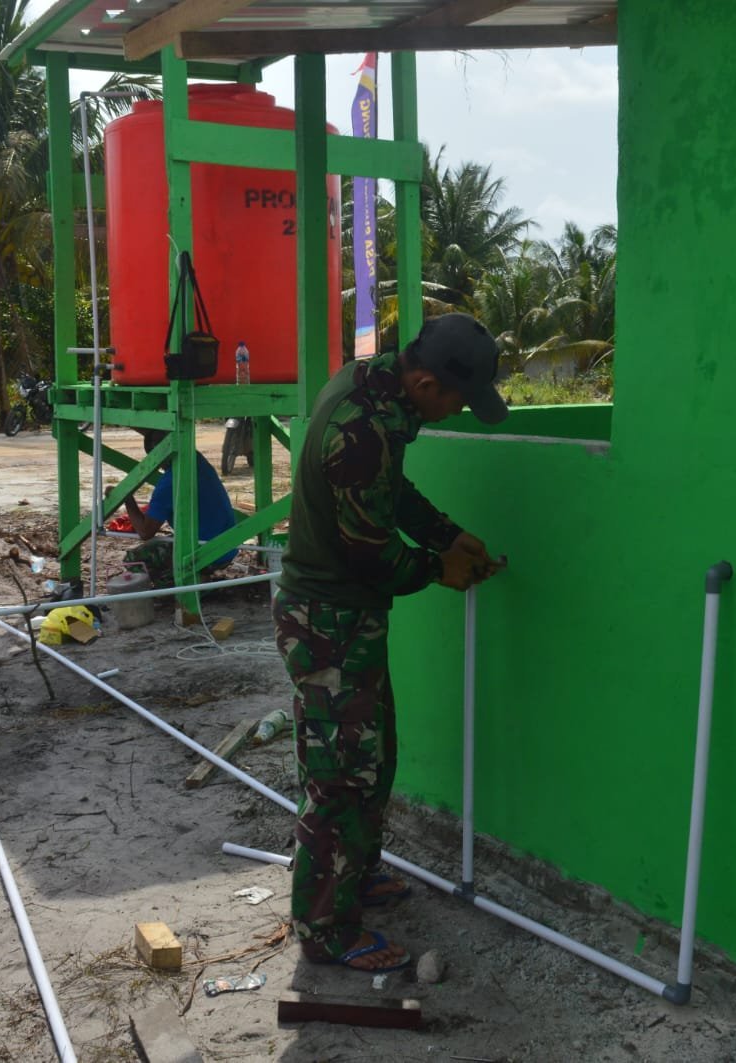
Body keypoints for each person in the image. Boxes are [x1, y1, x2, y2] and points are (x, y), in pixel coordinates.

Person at [274, 312, 509, 973]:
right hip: (327, 620)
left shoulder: (377, 385)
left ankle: (353, 872)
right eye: (458, 401)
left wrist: (445, 533)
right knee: (340, 778)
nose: (457, 412)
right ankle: (325, 929)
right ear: (427, 383)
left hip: (344, 617)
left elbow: (389, 493)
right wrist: (439, 568)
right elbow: (370, 554)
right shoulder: (362, 429)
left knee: (371, 759)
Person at [122, 428, 240, 588]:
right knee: (172, 541)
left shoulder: (169, 482)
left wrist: (127, 499)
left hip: (207, 551)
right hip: (228, 545)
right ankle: (198, 576)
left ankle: (182, 586)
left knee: (134, 559)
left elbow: (145, 532)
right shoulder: (195, 459)